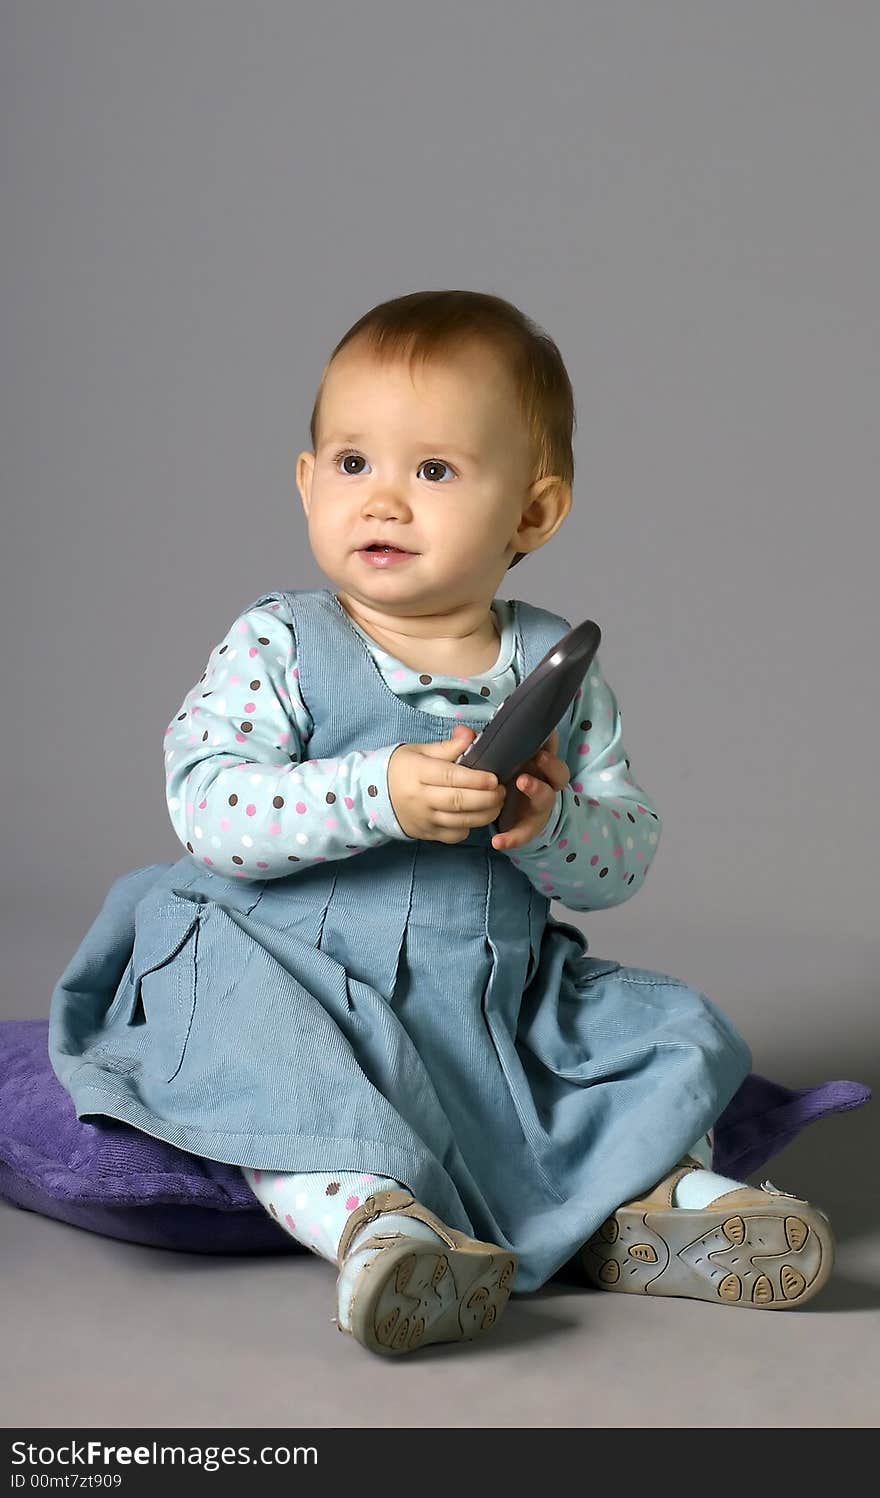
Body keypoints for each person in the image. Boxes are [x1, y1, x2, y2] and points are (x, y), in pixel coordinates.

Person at [49, 289, 834, 1357]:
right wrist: (378, 792)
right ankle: (381, 1229)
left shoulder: (555, 671)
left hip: (479, 991)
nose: (384, 501)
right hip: (291, 967)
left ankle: (657, 1207)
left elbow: (621, 860)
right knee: (265, 1052)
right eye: (353, 462)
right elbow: (210, 808)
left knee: (668, 1031)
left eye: (434, 471)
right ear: (306, 480)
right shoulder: (280, 642)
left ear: (532, 513)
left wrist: (547, 821)